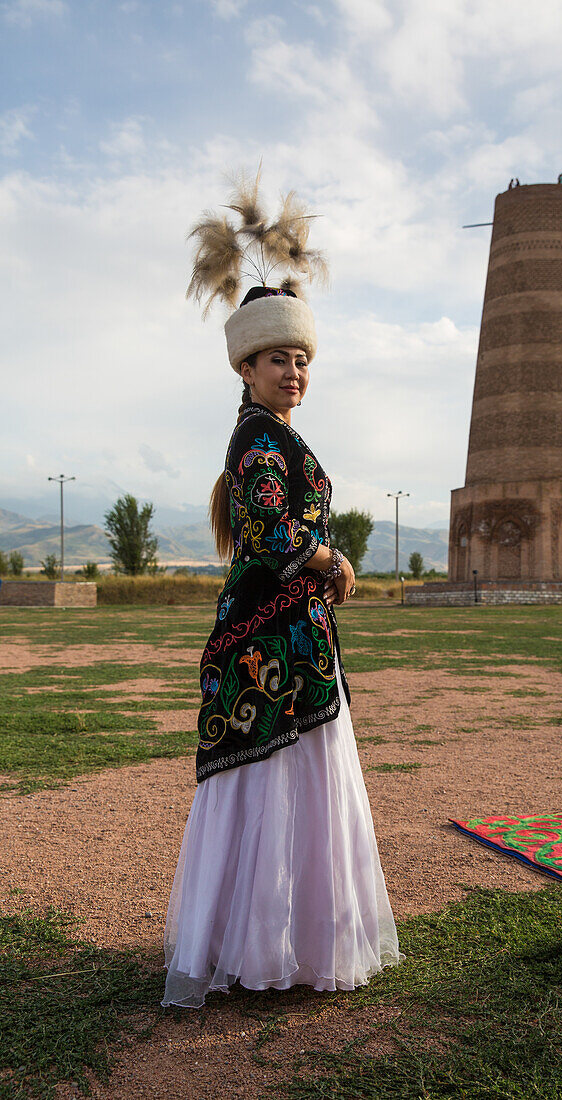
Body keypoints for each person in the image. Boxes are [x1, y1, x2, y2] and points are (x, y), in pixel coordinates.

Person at [161, 185, 404, 1009]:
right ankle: (270, 946)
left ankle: (280, 941)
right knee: (274, 789)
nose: (294, 372)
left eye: (301, 361)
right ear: (246, 366)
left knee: (286, 789)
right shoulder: (257, 440)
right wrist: (332, 557)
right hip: (270, 647)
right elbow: (271, 536)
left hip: (289, 642)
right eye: (278, 360)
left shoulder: (275, 435)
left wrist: (326, 568)